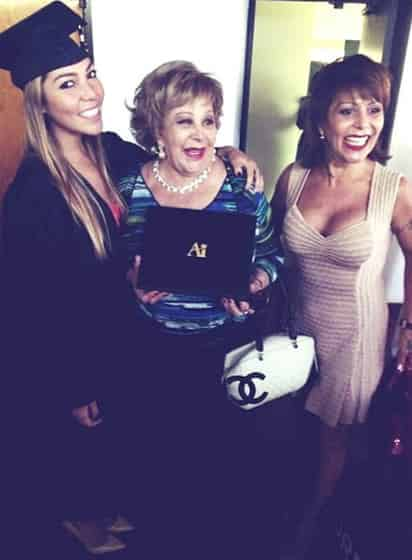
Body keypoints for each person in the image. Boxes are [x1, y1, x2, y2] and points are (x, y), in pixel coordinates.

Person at [0, 2, 262, 556]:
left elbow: (175, 161)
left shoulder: (114, 153)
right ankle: (78, 522)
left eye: (90, 74)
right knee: (76, 444)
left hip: (125, 339)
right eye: (68, 84)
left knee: (124, 449)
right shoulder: (33, 196)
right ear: (39, 102)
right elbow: (32, 312)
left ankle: (102, 508)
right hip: (74, 353)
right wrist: (72, 387)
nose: (90, 93)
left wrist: (231, 151)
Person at [117, 60, 283, 558]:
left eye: (209, 120)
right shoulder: (130, 189)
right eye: (184, 119)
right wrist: (131, 285)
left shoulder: (243, 188)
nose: (201, 133)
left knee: (218, 476)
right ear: (157, 129)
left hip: (221, 351)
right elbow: (114, 261)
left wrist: (257, 279)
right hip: (150, 352)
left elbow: (274, 256)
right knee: (156, 469)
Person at [272, 54, 412, 558]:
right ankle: (297, 505)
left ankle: (309, 530)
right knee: (296, 429)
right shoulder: (293, 177)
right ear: (320, 120)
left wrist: (410, 325)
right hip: (295, 328)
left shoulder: (393, 190)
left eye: (373, 111)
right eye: (347, 111)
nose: (363, 126)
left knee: (337, 437)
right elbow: (265, 250)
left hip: (357, 335)